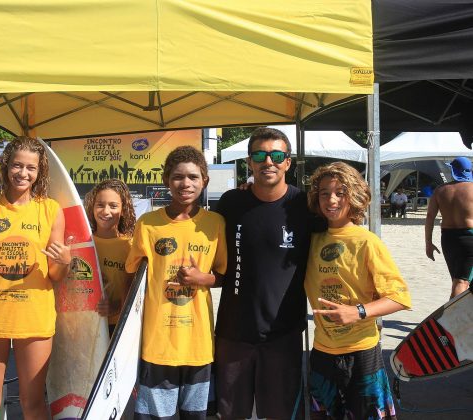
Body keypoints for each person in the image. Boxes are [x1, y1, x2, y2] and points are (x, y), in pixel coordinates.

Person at [0, 137, 71, 419]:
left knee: (33, 405)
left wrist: (64, 263)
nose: (23, 173)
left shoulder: (51, 209)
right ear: (6, 166)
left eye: (31, 168)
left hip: (35, 318)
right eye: (17, 165)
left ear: (40, 171)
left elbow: (55, 275)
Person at [215, 127, 319, 420]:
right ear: (249, 162)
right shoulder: (231, 203)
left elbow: (342, 237)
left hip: (283, 334)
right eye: (260, 155)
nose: (268, 162)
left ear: (288, 162)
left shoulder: (305, 206)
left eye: (276, 155)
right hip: (233, 332)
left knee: (280, 413)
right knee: (231, 413)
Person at [125, 146, 227, 420]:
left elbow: (225, 275)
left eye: (193, 177)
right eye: (178, 177)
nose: (186, 183)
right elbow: (132, 277)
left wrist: (202, 278)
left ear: (204, 180)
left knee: (196, 416)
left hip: (199, 345)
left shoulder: (215, 223)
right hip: (158, 344)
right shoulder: (148, 224)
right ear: (166, 180)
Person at [304, 162, 411, 419]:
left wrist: (358, 312)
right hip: (322, 351)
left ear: (354, 196)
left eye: (340, 193)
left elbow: (399, 297)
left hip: (362, 352)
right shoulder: (311, 239)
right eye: (324, 193)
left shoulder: (367, 242)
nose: (331, 199)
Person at [84, 179, 136, 336]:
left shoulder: (131, 246)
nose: (106, 211)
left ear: (124, 210)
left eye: (113, 206)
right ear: (92, 208)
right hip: (87, 325)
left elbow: (135, 290)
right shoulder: (83, 244)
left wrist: (116, 308)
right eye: (100, 205)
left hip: (118, 326)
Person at [425, 156, 473, 298]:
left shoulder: (440, 190)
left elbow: (430, 217)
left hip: (448, 238)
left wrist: (428, 243)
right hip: (470, 238)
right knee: (462, 282)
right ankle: (452, 318)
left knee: (458, 280)